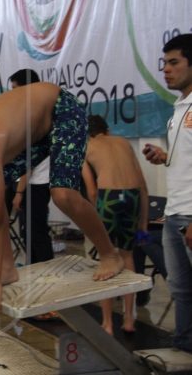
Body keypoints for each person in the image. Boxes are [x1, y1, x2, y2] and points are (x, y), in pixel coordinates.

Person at [0, 82, 125, 315]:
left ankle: (110, 254)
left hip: (61, 109)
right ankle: (6, 269)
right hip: (37, 130)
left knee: (62, 194)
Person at [142, 33, 192, 353]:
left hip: (190, 213)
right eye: (164, 64)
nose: (166, 70)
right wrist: (164, 157)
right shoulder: (179, 108)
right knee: (181, 289)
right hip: (175, 212)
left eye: (174, 63)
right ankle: (185, 347)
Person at [82, 114, 148, 335]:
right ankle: (129, 319)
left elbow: (91, 191)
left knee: (106, 258)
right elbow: (142, 185)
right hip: (132, 197)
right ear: (107, 130)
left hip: (108, 197)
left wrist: (96, 217)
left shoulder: (86, 147)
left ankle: (108, 322)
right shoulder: (123, 142)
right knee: (128, 256)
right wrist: (143, 223)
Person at [8, 69, 54, 265]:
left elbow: (29, 161)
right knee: (30, 231)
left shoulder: (35, 116)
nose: (13, 94)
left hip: (36, 184)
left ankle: (45, 270)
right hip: (35, 183)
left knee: (36, 232)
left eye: (16, 89)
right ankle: (35, 268)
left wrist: (19, 192)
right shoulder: (39, 110)